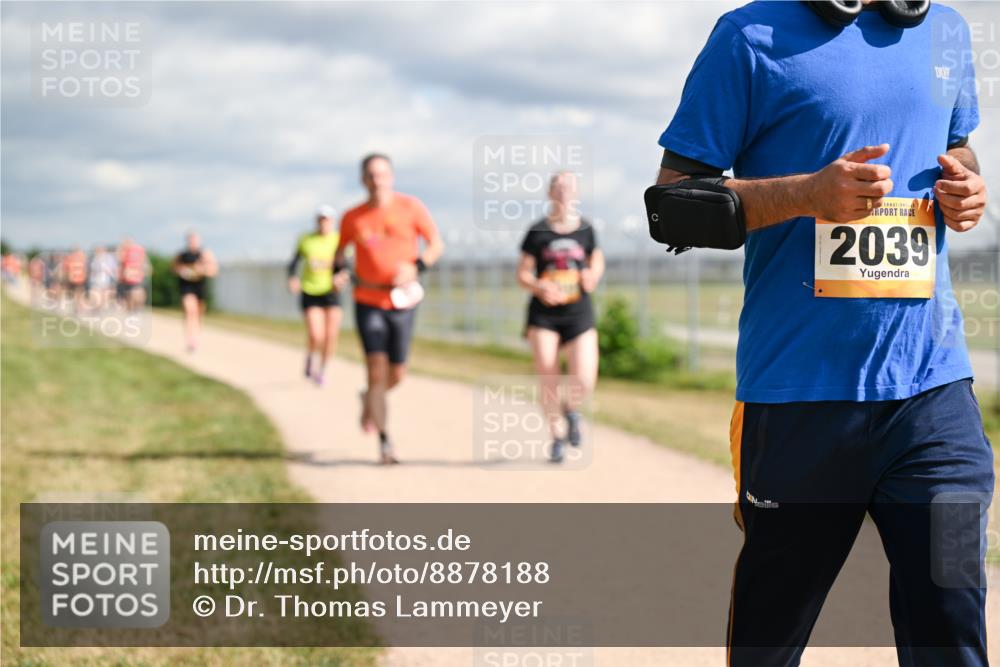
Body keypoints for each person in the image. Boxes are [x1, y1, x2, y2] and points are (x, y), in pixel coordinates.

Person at [654, 2, 990, 665]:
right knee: (769, 638)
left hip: (933, 391)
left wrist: (966, 182)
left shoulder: (946, 28)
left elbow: (957, 141)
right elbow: (672, 208)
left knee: (953, 619)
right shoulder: (748, 36)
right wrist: (809, 193)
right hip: (796, 399)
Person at [333, 153, 443, 464]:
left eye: (382, 174)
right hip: (368, 300)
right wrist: (337, 273)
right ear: (362, 179)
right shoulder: (352, 217)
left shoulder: (411, 208)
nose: (376, 180)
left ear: (391, 177)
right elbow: (340, 255)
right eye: (370, 174)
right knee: (376, 369)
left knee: (397, 373)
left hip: (403, 300)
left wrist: (416, 265)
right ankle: (385, 442)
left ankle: (369, 397)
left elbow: (436, 244)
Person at [516, 172, 604, 463]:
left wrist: (593, 274)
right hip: (544, 315)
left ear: (576, 192)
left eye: (568, 187)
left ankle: (571, 409)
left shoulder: (587, 229)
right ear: (549, 192)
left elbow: (596, 260)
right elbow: (523, 273)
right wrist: (539, 285)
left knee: (584, 378)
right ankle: (556, 435)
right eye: (558, 186)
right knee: (548, 376)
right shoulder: (538, 231)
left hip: (578, 312)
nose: (564, 191)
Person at [287, 206, 343, 384]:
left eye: (327, 220)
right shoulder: (306, 239)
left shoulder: (339, 240)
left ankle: (323, 370)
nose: (323, 223)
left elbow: (346, 265)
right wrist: (293, 278)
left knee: (330, 336)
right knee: (316, 334)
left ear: (333, 222)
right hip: (310, 290)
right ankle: (311, 356)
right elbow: (294, 263)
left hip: (332, 292)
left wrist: (342, 276)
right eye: (320, 219)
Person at [172, 231, 218, 352]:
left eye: (195, 240)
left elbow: (214, 271)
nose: (193, 243)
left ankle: (195, 338)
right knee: (189, 310)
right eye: (190, 240)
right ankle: (190, 340)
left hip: (200, 287)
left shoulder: (205, 254)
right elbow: (174, 268)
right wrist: (182, 271)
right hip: (186, 287)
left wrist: (201, 270)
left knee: (198, 314)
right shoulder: (181, 255)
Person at [117, 237, 148, 312]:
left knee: (137, 293)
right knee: (129, 295)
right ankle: (132, 311)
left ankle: (136, 309)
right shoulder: (124, 251)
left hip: (137, 277)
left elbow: (145, 261)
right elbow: (120, 263)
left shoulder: (139, 250)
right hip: (127, 278)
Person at [88, 246, 118, 311]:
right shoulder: (93, 258)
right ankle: (97, 309)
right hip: (95, 280)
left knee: (104, 295)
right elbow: (91, 270)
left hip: (106, 280)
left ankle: (101, 309)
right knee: (95, 295)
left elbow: (113, 270)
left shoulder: (110, 258)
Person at [62, 246, 88, 312]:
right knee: (78, 293)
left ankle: (76, 307)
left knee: (75, 293)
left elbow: (66, 269)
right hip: (79, 278)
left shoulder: (70, 257)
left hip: (74, 278)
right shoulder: (82, 257)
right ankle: (78, 307)